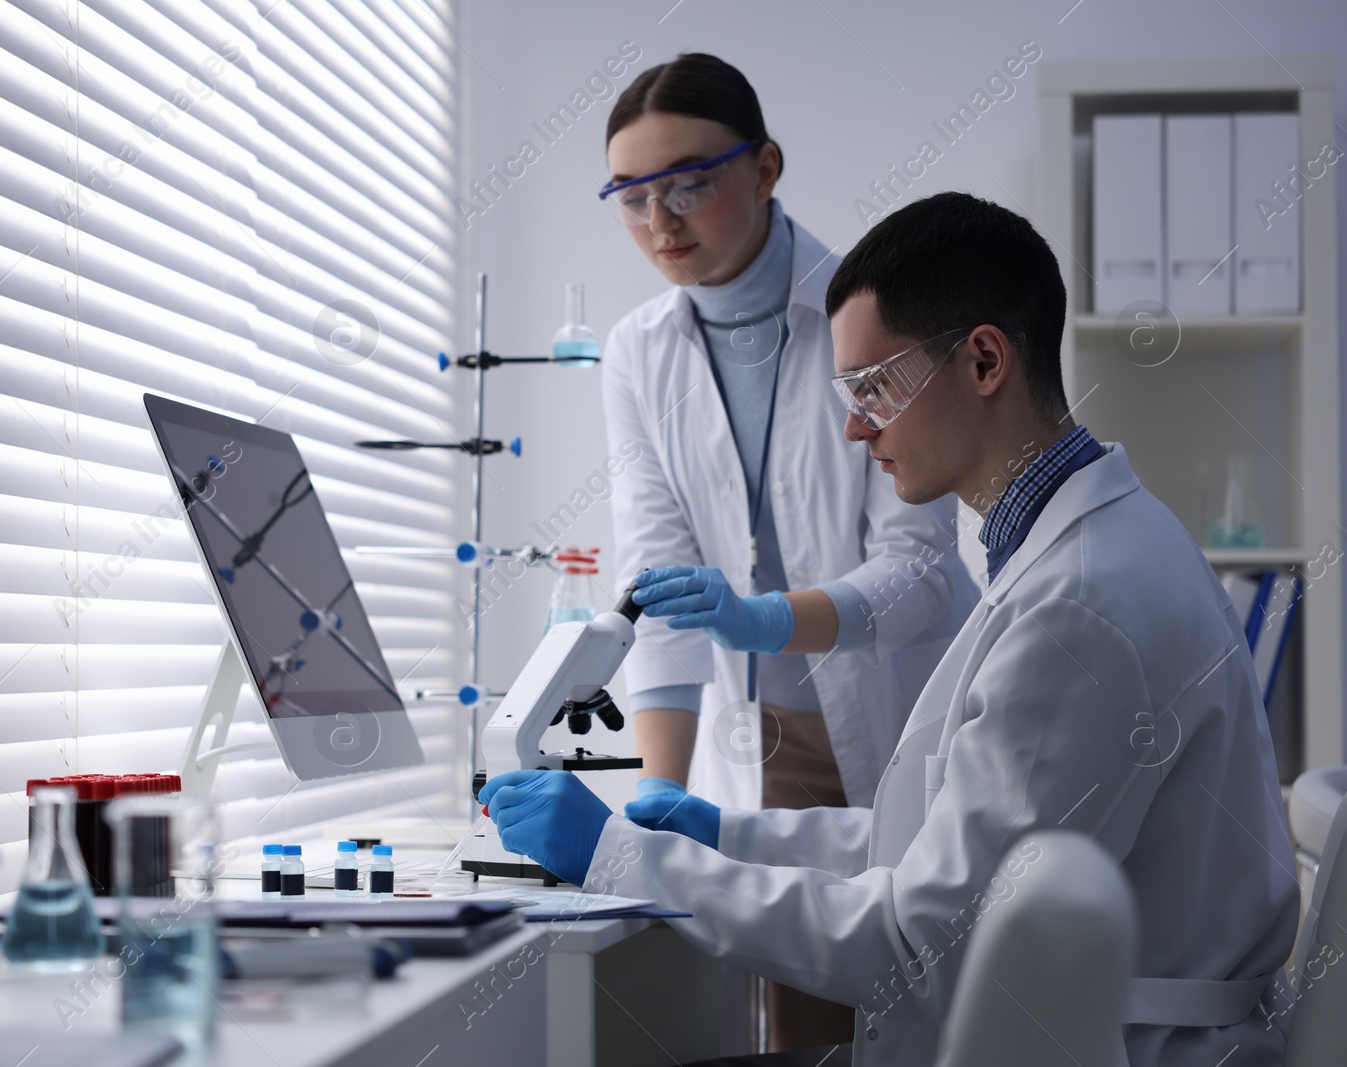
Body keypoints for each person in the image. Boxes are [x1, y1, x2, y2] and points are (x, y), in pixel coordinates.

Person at [482, 191, 1298, 1066]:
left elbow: (925, 949)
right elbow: (936, 852)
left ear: (984, 360)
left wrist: (620, 858)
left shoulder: (1079, 605)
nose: (853, 423)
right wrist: (726, 833)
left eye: (874, 386)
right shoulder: (1078, 548)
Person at [598, 54, 979, 1047]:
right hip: (749, 737)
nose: (660, 222)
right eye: (631, 198)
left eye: (688, 182)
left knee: (921, 1014)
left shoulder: (868, 317)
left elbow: (922, 574)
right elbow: (658, 576)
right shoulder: (637, 350)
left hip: (902, 718)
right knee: (801, 1030)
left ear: (765, 168)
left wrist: (767, 616)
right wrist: (658, 795)